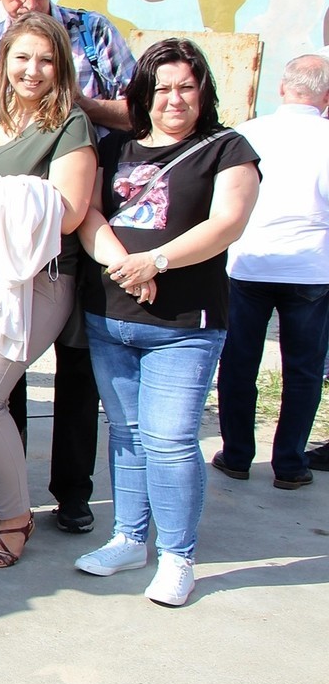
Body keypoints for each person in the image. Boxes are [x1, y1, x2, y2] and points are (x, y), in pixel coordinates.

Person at [73, 39, 259, 606]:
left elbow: (227, 223)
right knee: (126, 433)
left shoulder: (228, 148)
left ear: (203, 92)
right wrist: (126, 268)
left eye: (186, 87)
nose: (174, 99)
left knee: (171, 441)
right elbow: (89, 214)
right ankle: (129, 539)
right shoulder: (114, 146)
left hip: (184, 324)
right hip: (110, 316)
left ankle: (178, 556)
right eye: (161, 89)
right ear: (141, 95)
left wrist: (156, 261)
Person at [0, 0, 137, 535]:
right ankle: (2, 485)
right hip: (8, 230)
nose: (30, 1)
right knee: (3, 363)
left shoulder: (93, 33)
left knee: (78, 362)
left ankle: (72, 492)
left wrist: (70, 104)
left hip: (83, 211)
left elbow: (136, 111)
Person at [0, 12, 95, 568]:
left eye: (46, 60)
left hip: (29, 282)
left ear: (61, 67)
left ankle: (15, 517)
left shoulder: (69, 124)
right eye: (22, 57)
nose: (33, 70)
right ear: (5, 60)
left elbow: (70, 212)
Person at [214, 54, 329, 489]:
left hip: (249, 262)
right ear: (327, 97)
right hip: (311, 267)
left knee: (239, 362)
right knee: (304, 370)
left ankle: (237, 456)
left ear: (281, 88)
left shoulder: (246, 133)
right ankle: (290, 464)